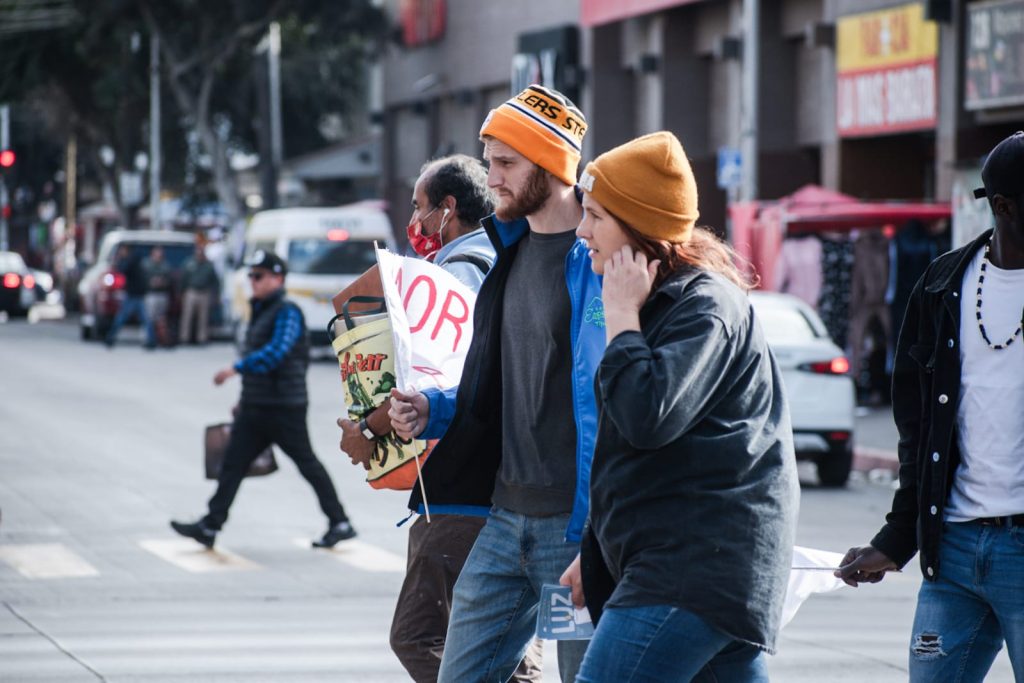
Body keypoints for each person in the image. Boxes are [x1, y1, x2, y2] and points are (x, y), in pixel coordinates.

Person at [555, 131, 799, 681]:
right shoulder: (662, 300)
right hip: (687, 565)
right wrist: (594, 556)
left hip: (694, 571)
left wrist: (620, 316)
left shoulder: (704, 306)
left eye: (595, 215)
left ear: (638, 225)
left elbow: (646, 417)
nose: (581, 230)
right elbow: (633, 456)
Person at [388, 84, 601, 683]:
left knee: (581, 674)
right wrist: (430, 408)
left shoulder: (595, 258)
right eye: (490, 161)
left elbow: (616, 400)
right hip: (505, 524)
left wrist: (601, 531)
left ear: (553, 165)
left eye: (506, 162)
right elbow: (491, 384)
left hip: (572, 535)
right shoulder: (506, 254)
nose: (493, 178)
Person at [338, 154, 542, 683]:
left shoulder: (456, 273)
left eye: (419, 208)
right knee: (501, 647)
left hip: (464, 485)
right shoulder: (506, 258)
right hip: (500, 485)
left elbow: (437, 383)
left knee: (425, 636)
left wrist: (368, 430)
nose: (413, 222)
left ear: (447, 209)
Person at [837, 131, 1024, 682]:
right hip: (955, 554)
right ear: (1005, 206)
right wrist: (897, 539)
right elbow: (918, 431)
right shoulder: (943, 286)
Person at [171, 250, 357, 549]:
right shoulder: (260, 310)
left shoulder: (287, 312)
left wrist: (235, 369)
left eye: (259, 276)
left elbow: (276, 352)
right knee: (232, 464)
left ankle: (340, 522)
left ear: (278, 279)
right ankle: (210, 525)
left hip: (285, 407)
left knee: (307, 464)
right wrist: (244, 398)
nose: (252, 282)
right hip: (256, 407)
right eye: (251, 276)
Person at [104, 245, 153, 348]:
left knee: (122, 318)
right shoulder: (136, 260)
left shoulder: (131, 260)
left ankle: (110, 338)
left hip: (133, 294)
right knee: (144, 319)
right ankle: (151, 340)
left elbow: (122, 269)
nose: (121, 253)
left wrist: (119, 261)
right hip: (137, 293)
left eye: (122, 251)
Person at [179, 244, 220, 345]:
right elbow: (183, 278)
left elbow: (215, 281)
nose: (199, 254)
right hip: (191, 291)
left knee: (203, 317)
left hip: (204, 292)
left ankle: (201, 338)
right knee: (187, 316)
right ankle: (184, 338)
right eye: (198, 252)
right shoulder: (189, 262)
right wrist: (181, 293)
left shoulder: (208, 265)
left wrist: (216, 295)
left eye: (201, 252)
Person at [143, 246, 173, 348]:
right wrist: (151, 282)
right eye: (157, 253)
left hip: (162, 294)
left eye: (160, 253)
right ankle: (150, 339)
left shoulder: (165, 265)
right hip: (151, 294)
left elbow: (169, 279)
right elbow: (143, 278)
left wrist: (162, 282)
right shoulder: (146, 264)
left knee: (161, 319)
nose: (158, 255)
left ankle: (163, 340)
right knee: (150, 318)